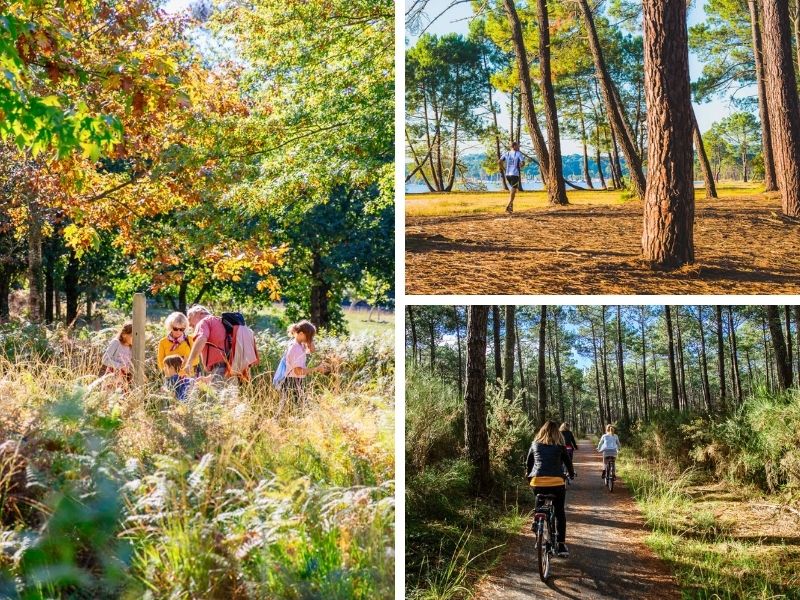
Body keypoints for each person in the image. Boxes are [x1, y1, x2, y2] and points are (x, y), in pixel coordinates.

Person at [526, 420, 575, 558]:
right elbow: (568, 463)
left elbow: (529, 463)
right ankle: (560, 544)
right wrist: (570, 474)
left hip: (537, 481)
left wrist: (529, 477)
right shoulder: (560, 446)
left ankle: (537, 523)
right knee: (559, 512)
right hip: (556, 483)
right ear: (557, 433)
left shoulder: (534, 444)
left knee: (539, 503)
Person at [280, 320, 327, 409]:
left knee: (292, 410)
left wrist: (310, 339)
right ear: (301, 334)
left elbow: (312, 350)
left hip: (295, 381)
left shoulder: (300, 345)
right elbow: (298, 371)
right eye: (309, 336)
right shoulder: (295, 348)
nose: (310, 339)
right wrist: (316, 369)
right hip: (292, 382)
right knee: (290, 410)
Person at [184, 305, 229, 380]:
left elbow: (201, 339)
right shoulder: (219, 321)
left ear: (199, 313)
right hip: (232, 368)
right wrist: (208, 379)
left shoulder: (203, 322)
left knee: (218, 392)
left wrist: (189, 362)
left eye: (190, 318)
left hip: (220, 368)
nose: (190, 325)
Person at [499, 140, 524, 214]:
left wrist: (503, 169)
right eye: (517, 146)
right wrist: (521, 165)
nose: (518, 147)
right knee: (513, 190)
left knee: (512, 191)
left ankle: (510, 208)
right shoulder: (518, 153)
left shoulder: (506, 153)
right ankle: (508, 205)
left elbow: (499, 161)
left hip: (507, 174)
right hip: (515, 174)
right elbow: (522, 162)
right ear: (514, 146)